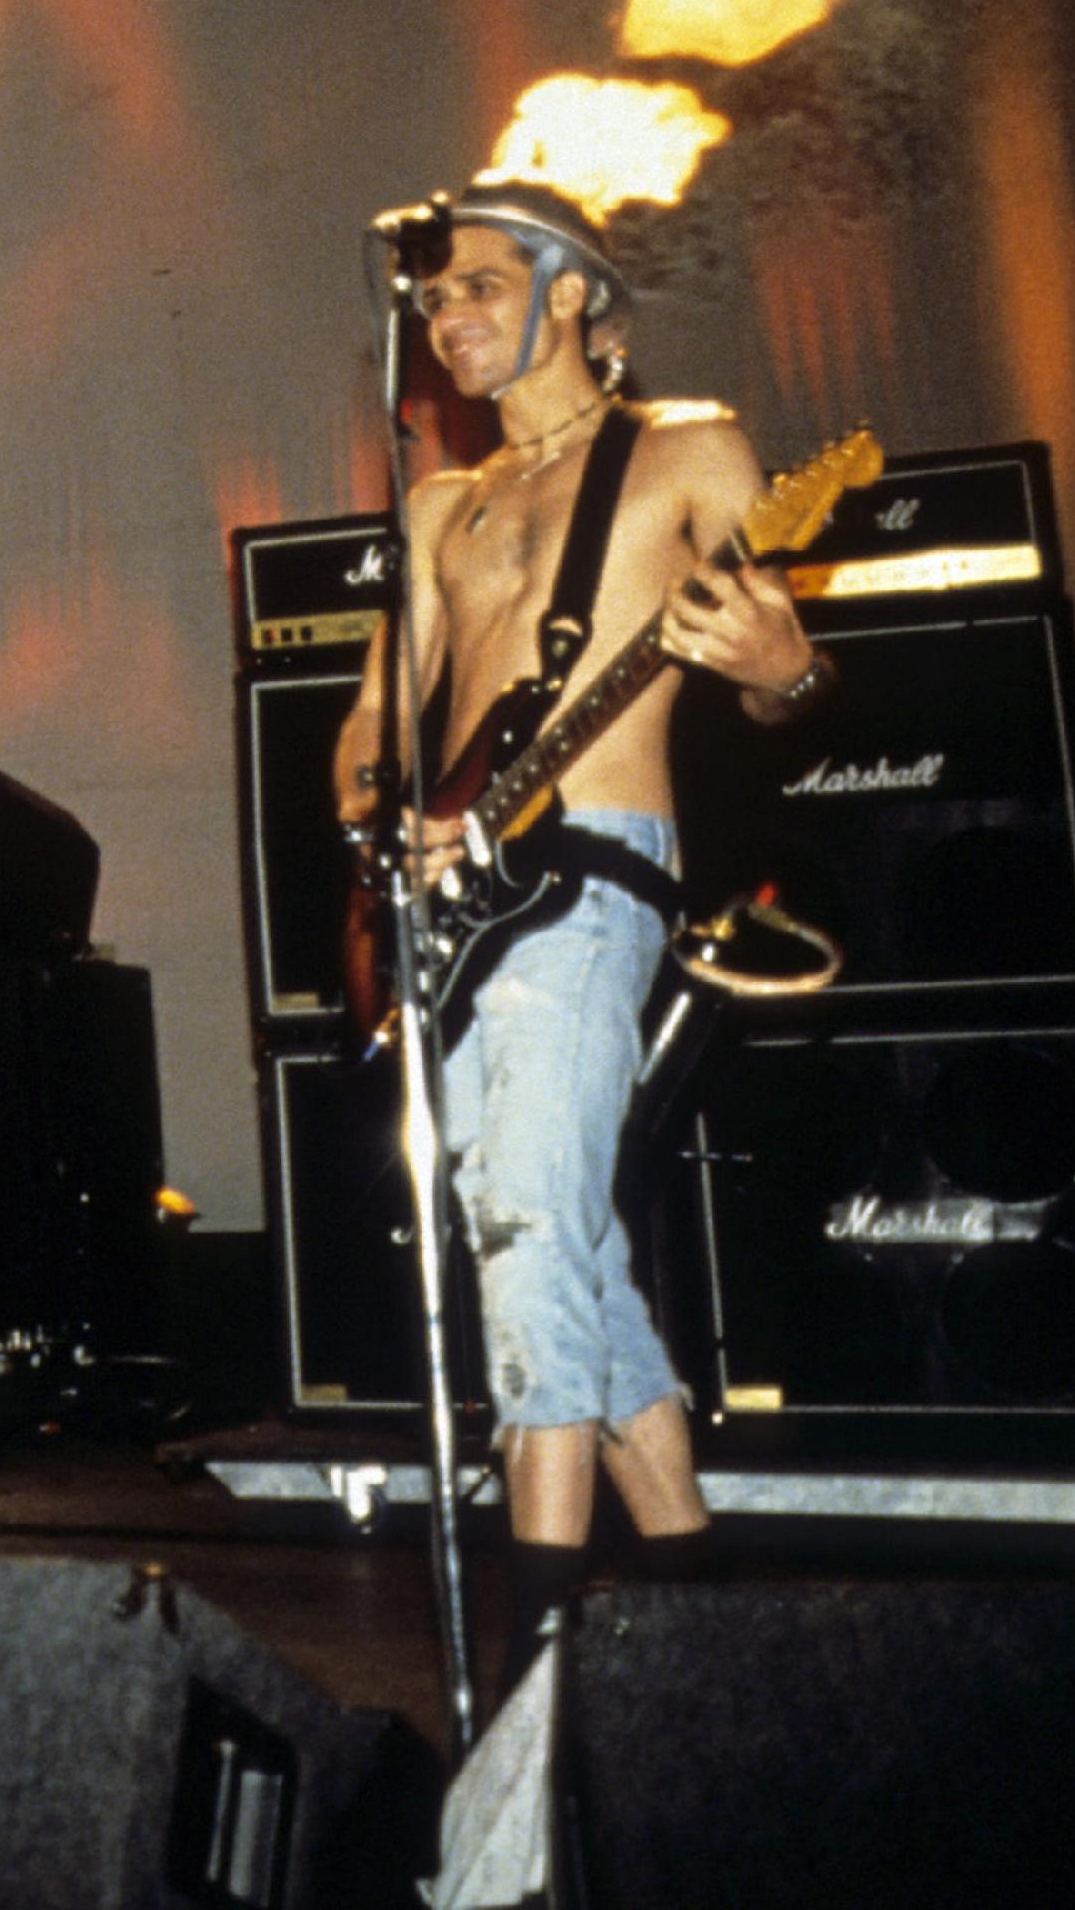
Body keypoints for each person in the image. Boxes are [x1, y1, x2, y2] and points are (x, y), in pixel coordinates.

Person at [333, 180, 831, 1689]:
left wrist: (779, 660)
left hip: (602, 866)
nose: (444, 320)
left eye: (476, 288)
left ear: (566, 291)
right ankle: (693, 1604)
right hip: (452, 897)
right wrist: (379, 822)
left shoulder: (687, 448)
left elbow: (783, 669)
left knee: (533, 1235)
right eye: (428, 303)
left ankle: (541, 1650)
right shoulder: (441, 504)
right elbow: (374, 719)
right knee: (559, 1238)